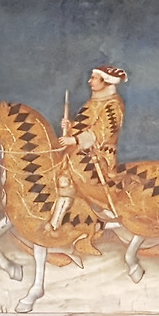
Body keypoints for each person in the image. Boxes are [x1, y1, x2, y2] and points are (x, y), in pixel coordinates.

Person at [53, 65, 127, 227]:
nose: (89, 81)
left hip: (99, 155)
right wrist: (70, 127)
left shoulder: (113, 104)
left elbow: (102, 131)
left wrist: (74, 140)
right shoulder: (93, 102)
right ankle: (57, 222)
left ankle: (102, 218)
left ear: (105, 81)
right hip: (80, 152)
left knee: (75, 176)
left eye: (94, 78)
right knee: (62, 176)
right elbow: (85, 126)